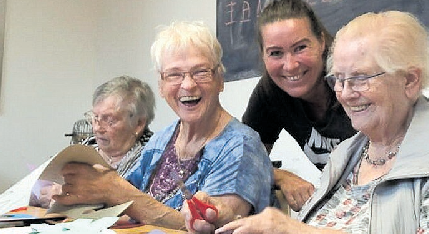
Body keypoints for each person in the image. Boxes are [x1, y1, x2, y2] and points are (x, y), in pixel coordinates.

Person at [215, 10, 429, 233]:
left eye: (360, 78)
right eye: (338, 79)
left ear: (410, 80)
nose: (345, 94)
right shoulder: (345, 156)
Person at [52, 21, 273, 231]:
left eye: (200, 72)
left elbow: (211, 229)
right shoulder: (162, 140)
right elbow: (122, 199)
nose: (188, 84)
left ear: (220, 80)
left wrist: (116, 191)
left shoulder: (241, 146)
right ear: (161, 85)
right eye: (174, 75)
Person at [26, 75, 156, 209]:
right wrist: (41, 194)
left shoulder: (154, 155)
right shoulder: (87, 146)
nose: (97, 128)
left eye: (109, 120)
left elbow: (147, 209)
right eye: (95, 117)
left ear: (139, 124)